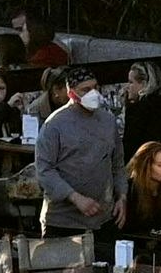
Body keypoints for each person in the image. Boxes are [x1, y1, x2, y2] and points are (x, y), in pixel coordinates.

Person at [31, 64, 121, 239]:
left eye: (95, 88)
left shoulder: (108, 121)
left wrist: (122, 196)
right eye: (85, 89)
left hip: (103, 219)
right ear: (71, 92)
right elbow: (44, 171)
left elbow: (117, 163)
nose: (93, 93)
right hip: (63, 221)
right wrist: (75, 197)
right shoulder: (54, 125)